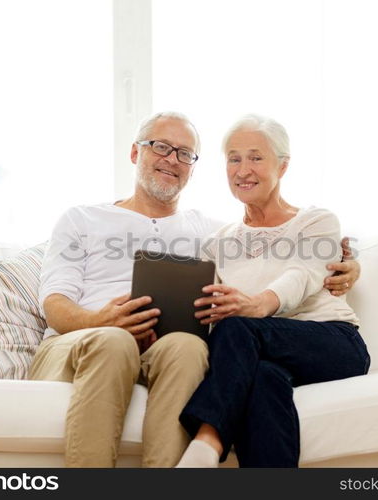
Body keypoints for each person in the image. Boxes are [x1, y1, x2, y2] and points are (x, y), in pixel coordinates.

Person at [27, 111, 361, 467]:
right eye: (160, 147)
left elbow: (286, 247)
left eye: (184, 153)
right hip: (85, 342)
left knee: (189, 347)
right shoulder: (82, 218)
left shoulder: (205, 231)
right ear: (135, 153)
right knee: (117, 340)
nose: (172, 159)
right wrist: (102, 319)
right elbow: (55, 305)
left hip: (164, 347)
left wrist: (350, 262)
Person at [175, 114, 371, 468]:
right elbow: (208, 308)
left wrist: (257, 304)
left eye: (255, 157)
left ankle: (208, 440)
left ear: (282, 166)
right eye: (234, 158)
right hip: (265, 356)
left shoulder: (315, 221)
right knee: (264, 379)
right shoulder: (217, 243)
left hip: (331, 342)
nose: (243, 169)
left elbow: (302, 274)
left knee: (237, 326)